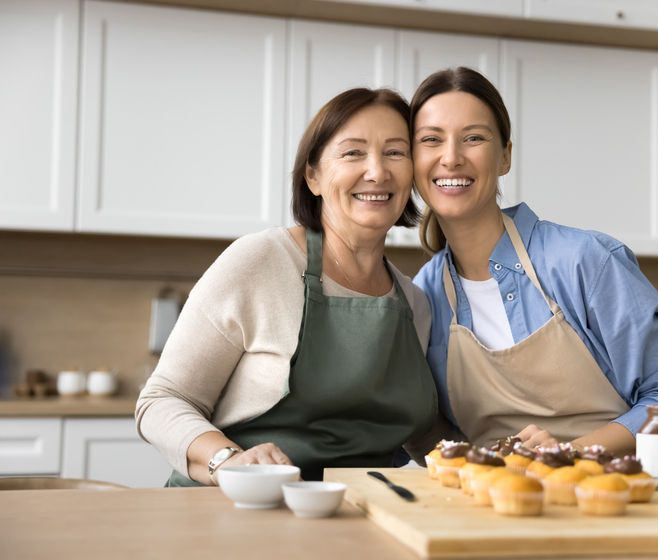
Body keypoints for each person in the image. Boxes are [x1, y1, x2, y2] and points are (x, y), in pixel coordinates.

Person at [136, 87, 452, 486]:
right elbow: (161, 400)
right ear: (313, 176)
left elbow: (420, 437)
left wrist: (505, 455)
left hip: (355, 522)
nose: (377, 171)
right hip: (240, 513)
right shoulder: (262, 261)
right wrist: (227, 461)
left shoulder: (415, 302)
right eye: (353, 152)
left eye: (395, 152)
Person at [410, 67, 658, 456]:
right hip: (496, 506)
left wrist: (570, 454)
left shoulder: (583, 261)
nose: (450, 158)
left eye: (473, 138)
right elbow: (435, 431)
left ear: (505, 157)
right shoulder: (424, 295)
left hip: (611, 497)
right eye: (431, 140)